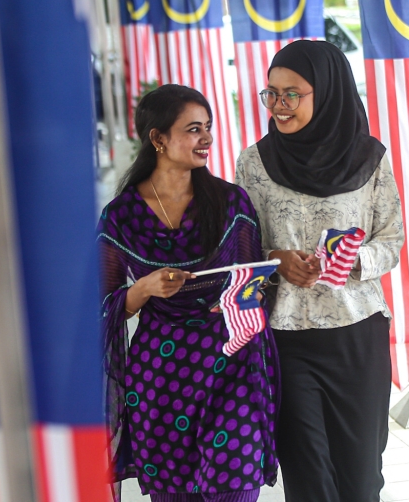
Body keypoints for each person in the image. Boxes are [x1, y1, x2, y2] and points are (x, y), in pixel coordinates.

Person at [234, 40, 405, 502]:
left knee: (362, 477)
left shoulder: (371, 158)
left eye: (293, 93)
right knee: (309, 480)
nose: (279, 105)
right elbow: (239, 250)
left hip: (357, 334)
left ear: (327, 92)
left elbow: (391, 241)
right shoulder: (253, 163)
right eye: (271, 93)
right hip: (287, 337)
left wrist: (355, 261)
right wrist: (276, 260)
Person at [99, 84, 278, 501]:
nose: (207, 139)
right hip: (161, 378)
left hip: (230, 363)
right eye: (194, 129)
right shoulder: (122, 215)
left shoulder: (230, 201)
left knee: (236, 483)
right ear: (158, 139)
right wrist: (144, 288)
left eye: (209, 128)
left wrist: (240, 295)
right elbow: (102, 305)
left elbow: (256, 281)